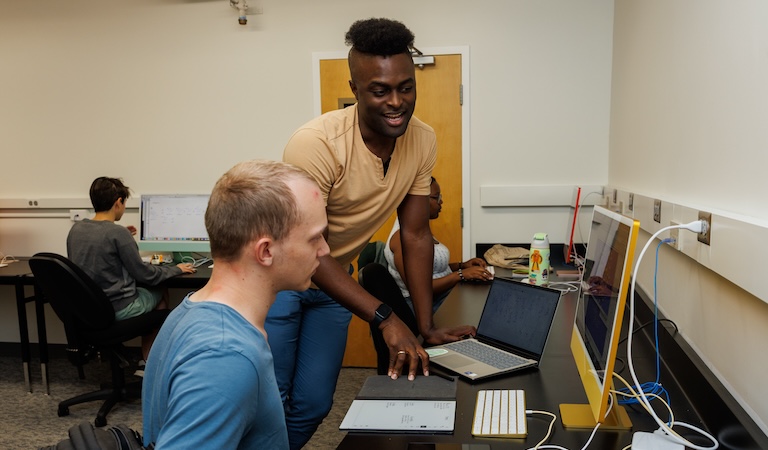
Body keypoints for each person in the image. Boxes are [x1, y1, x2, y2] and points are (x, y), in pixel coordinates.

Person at [269, 17, 476, 449]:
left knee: (312, 404)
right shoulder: (317, 144)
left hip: (332, 283)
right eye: (380, 90)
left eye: (406, 87)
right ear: (356, 87)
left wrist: (425, 326)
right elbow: (305, 247)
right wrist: (384, 317)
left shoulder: (422, 140)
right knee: (269, 401)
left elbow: (416, 235)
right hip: (280, 280)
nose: (396, 102)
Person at [142, 160, 329, 449]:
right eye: (314, 238)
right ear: (265, 251)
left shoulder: (190, 311)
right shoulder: (225, 354)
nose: (324, 250)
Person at [66, 177, 195, 362]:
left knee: (150, 291)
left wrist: (123, 235)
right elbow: (147, 275)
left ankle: (144, 361)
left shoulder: (77, 229)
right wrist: (176, 269)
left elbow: (95, 251)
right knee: (160, 290)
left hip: (88, 311)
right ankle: (149, 363)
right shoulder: (117, 233)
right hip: (118, 308)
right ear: (118, 202)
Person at [385, 177, 493, 315]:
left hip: (443, 297)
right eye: (436, 197)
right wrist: (460, 275)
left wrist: (462, 265)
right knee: (483, 309)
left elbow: (431, 269)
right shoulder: (401, 239)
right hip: (427, 308)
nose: (441, 201)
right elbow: (419, 289)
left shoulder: (418, 229)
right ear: (416, 200)